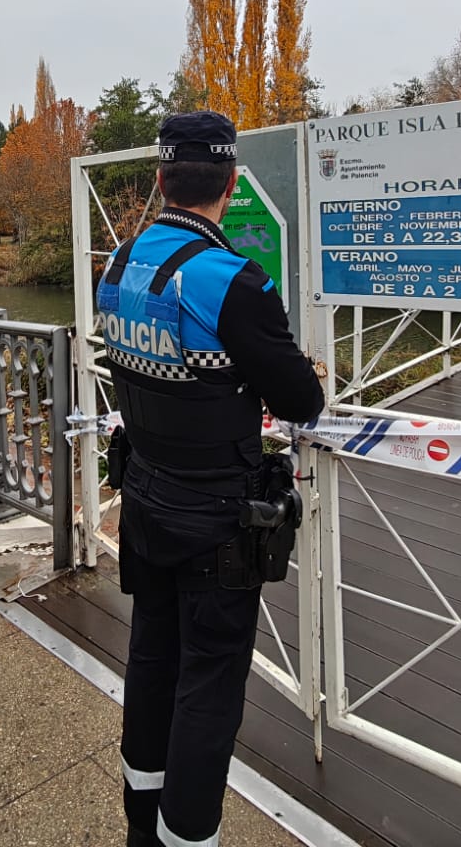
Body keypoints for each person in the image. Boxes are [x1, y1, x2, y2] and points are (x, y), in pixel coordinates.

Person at [98, 110, 325, 847]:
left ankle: (141, 825)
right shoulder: (234, 282)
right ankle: (188, 838)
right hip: (216, 523)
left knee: (153, 662)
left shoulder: (119, 264)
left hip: (145, 503)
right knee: (210, 689)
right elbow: (301, 401)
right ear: (229, 183)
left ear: (162, 180)